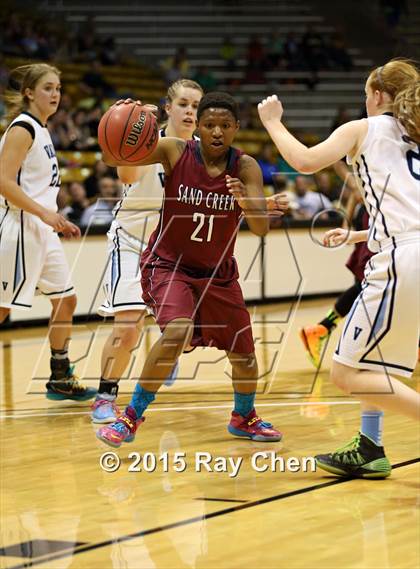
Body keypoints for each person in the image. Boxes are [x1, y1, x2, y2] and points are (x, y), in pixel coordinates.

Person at [258, 59, 420, 478]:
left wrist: (273, 122)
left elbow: (306, 161)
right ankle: (370, 445)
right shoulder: (416, 138)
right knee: (376, 364)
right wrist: (358, 237)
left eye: (366, 94)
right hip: (409, 252)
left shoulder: (363, 129)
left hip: (403, 261)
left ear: (378, 96)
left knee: (345, 374)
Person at [96, 91, 286, 446]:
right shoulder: (175, 151)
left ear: (236, 129)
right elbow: (115, 155)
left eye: (225, 125)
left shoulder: (245, 168)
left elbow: (261, 228)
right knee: (177, 332)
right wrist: (125, 121)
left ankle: (244, 417)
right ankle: (130, 418)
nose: (217, 132)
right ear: (198, 127)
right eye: (210, 124)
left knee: (244, 355)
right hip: (170, 266)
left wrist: (245, 201)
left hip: (218, 274)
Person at [91, 79, 204, 423]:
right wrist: (131, 127)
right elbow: (126, 174)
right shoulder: (148, 141)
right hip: (132, 242)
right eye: (183, 103)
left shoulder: (204, 151)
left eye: (196, 106)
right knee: (127, 328)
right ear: (167, 108)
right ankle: (105, 395)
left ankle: (166, 353)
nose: (189, 111)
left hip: (176, 250)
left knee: (185, 335)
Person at [0, 63, 96, 400]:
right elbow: (3, 182)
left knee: (66, 300)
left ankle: (59, 376)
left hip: (42, 228)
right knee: (2, 308)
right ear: (29, 92)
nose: (55, 94)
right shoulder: (22, 128)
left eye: (58, 88)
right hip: (20, 226)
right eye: (47, 88)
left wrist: (51, 216)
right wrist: (45, 213)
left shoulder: (42, 129)